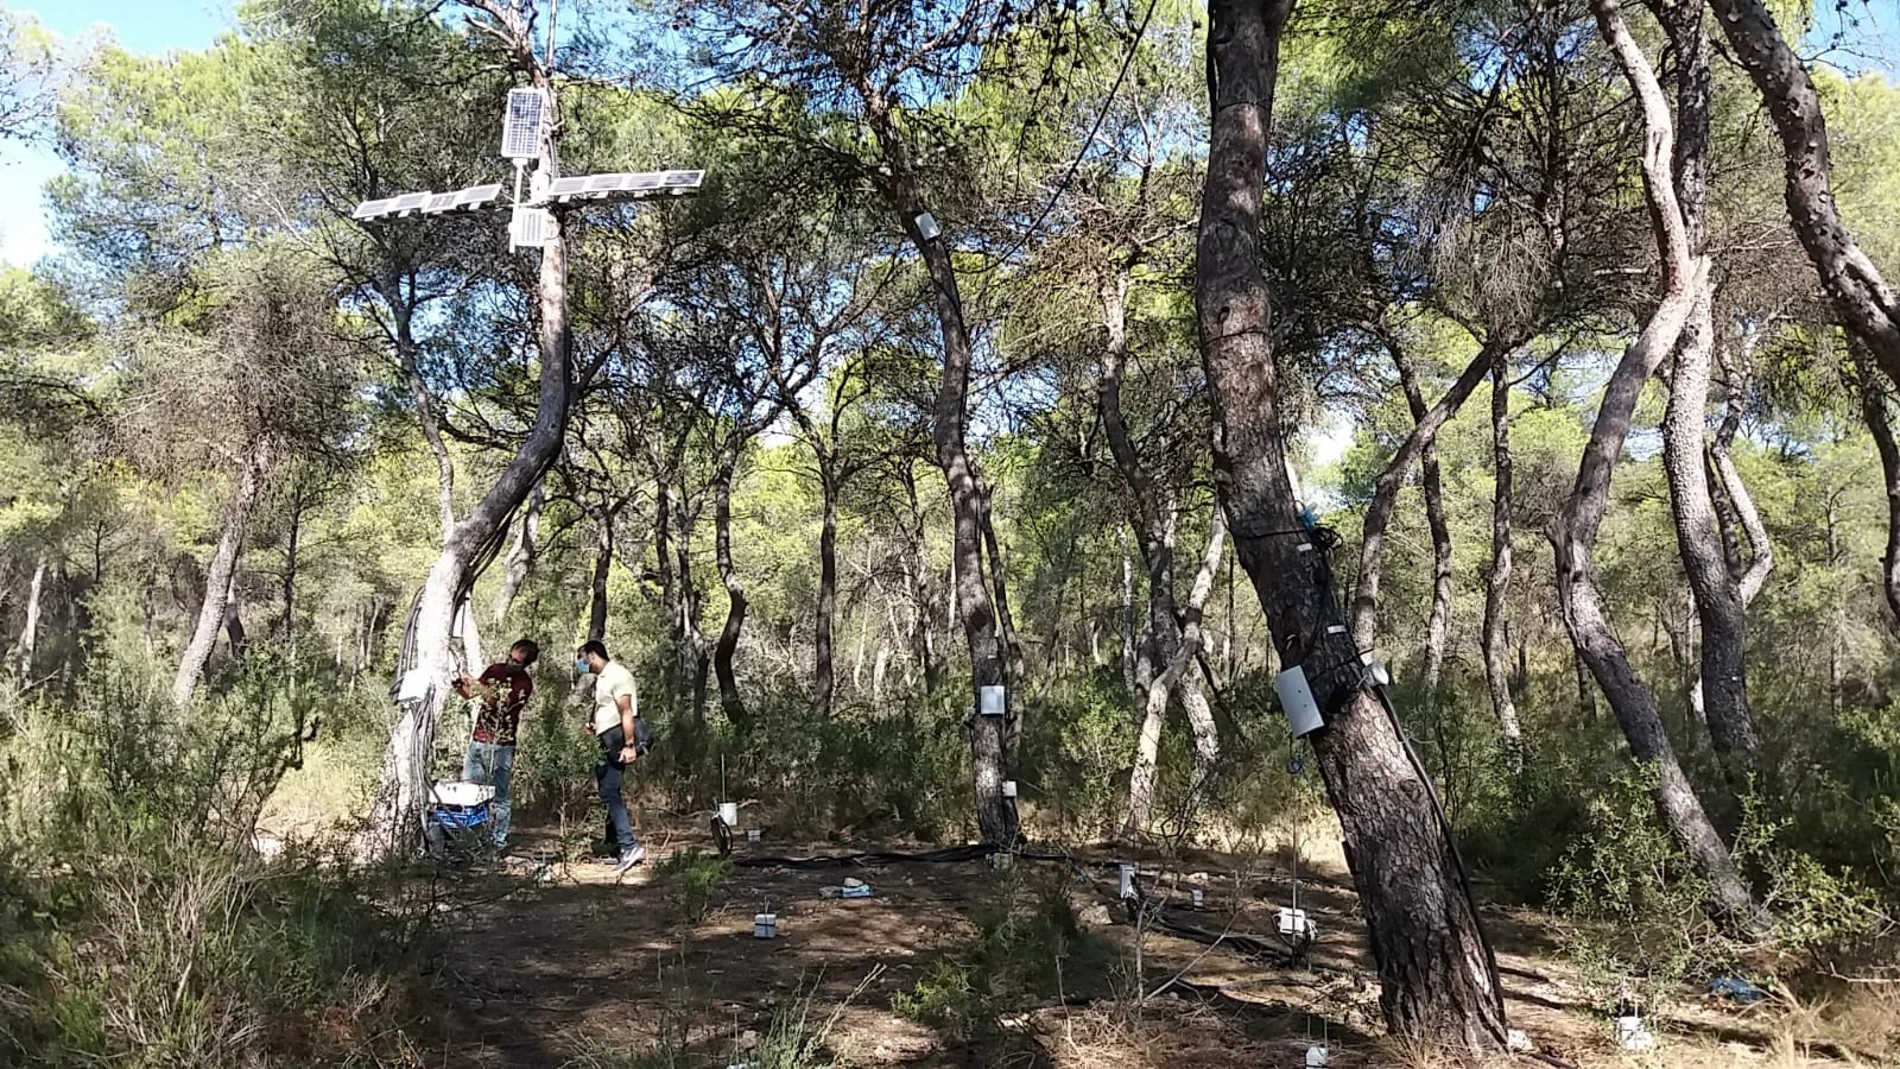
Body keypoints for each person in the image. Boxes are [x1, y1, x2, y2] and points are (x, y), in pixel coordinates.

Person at [452, 638, 540, 851]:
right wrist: (460, 685)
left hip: (501, 745)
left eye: (517, 661)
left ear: (525, 664)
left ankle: (497, 842)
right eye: (510, 657)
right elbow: (471, 694)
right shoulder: (495, 670)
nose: (510, 663)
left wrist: (473, 681)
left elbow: (497, 702)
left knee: (498, 796)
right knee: (470, 792)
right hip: (478, 740)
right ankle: (471, 839)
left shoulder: (523, 684)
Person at [576, 639, 645, 873]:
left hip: (617, 741)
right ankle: (616, 846)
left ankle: (629, 846)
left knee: (610, 791)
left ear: (592, 655)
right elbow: (610, 711)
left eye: (582, 658)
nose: (581, 663)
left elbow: (626, 711)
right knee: (605, 790)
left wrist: (629, 745)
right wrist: (596, 725)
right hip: (605, 738)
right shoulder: (603, 678)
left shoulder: (618, 675)